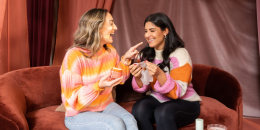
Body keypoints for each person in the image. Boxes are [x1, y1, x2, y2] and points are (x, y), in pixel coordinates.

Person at [60, 8, 142, 130]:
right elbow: (73, 100)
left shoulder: (110, 51)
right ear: (97, 27)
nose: (115, 28)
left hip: (105, 105)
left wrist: (125, 61)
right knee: (116, 125)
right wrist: (98, 86)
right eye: (111, 23)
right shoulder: (74, 56)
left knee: (130, 121)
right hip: (78, 113)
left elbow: (119, 79)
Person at [129, 12, 202, 130]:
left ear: (165, 31)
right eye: (146, 31)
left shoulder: (179, 54)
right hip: (158, 98)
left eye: (152, 30)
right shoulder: (145, 54)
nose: (147, 35)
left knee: (163, 112)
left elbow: (177, 93)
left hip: (185, 102)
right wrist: (138, 77)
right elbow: (144, 87)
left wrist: (159, 74)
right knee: (139, 108)